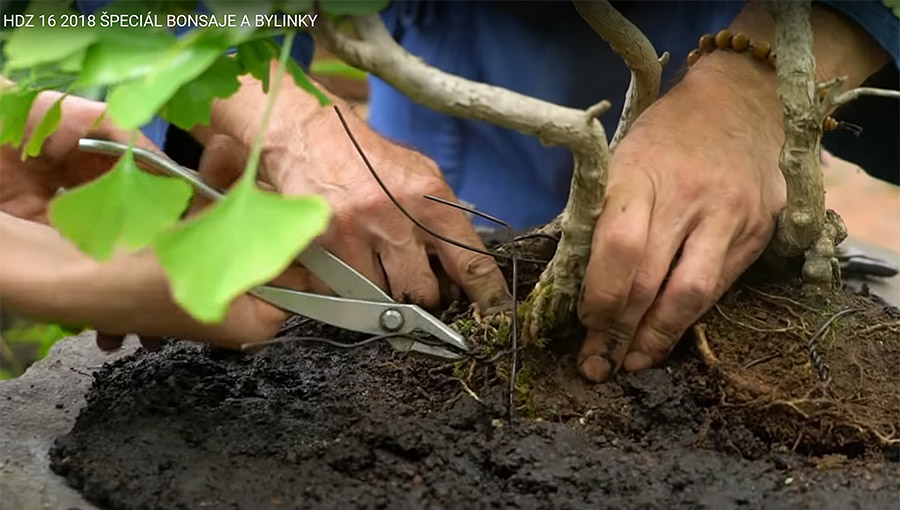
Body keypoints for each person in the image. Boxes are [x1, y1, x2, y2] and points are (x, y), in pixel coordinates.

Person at [1, 1, 896, 382]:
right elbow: (103, 20)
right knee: (437, 245)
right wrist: (271, 108)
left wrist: (760, 78)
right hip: (439, 71)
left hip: (715, 26)